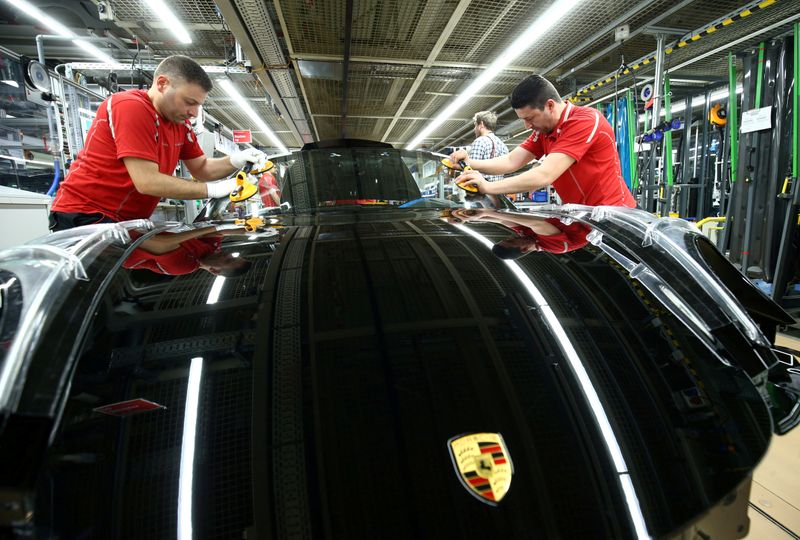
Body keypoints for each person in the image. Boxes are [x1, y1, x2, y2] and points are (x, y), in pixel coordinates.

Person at [50, 55, 265, 231]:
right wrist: (212, 190)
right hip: (86, 215)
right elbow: (147, 182)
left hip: (125, 220)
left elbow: (202, 168)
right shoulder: (130, 107)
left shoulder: (180, 124)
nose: (193, 113)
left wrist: (236, 160)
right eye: (190, 102)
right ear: (162, 84)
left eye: (198, 105)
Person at [450, 75, 635, 208]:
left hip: (615, 216)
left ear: (550, 105)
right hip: (584, 216)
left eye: (530, 118)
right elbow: (510, 161)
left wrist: (488, 186)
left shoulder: (584, 120)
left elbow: (544, 175)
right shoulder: (546, 131)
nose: (526, 126)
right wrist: (468, 163)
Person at [448, 208, 589, 257]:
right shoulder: (554, 247)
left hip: (580, 211)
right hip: (594, 219)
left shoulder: (526, 237)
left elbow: (503, 221)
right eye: (510, 241)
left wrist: (468, 219)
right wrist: (488, 212)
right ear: (524, 249)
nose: (510, 237)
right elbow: (538, 223)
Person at [123, 226, 251, 276]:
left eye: (229, 260)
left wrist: (210, 229)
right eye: (233, 255)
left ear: (214, 270)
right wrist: (248, 230)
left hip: (118, 248)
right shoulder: (212, 250)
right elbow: (219, 232)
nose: (228, 254)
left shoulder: (184, 266)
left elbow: (159, 242)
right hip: (131, 229)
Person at [466, 111, 508, 181]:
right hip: (499, 189)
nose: (474, 129)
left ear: (481, 124)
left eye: (475, 125)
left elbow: (472, 171)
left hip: (483, 189)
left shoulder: (480, 141)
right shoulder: (503, 145)